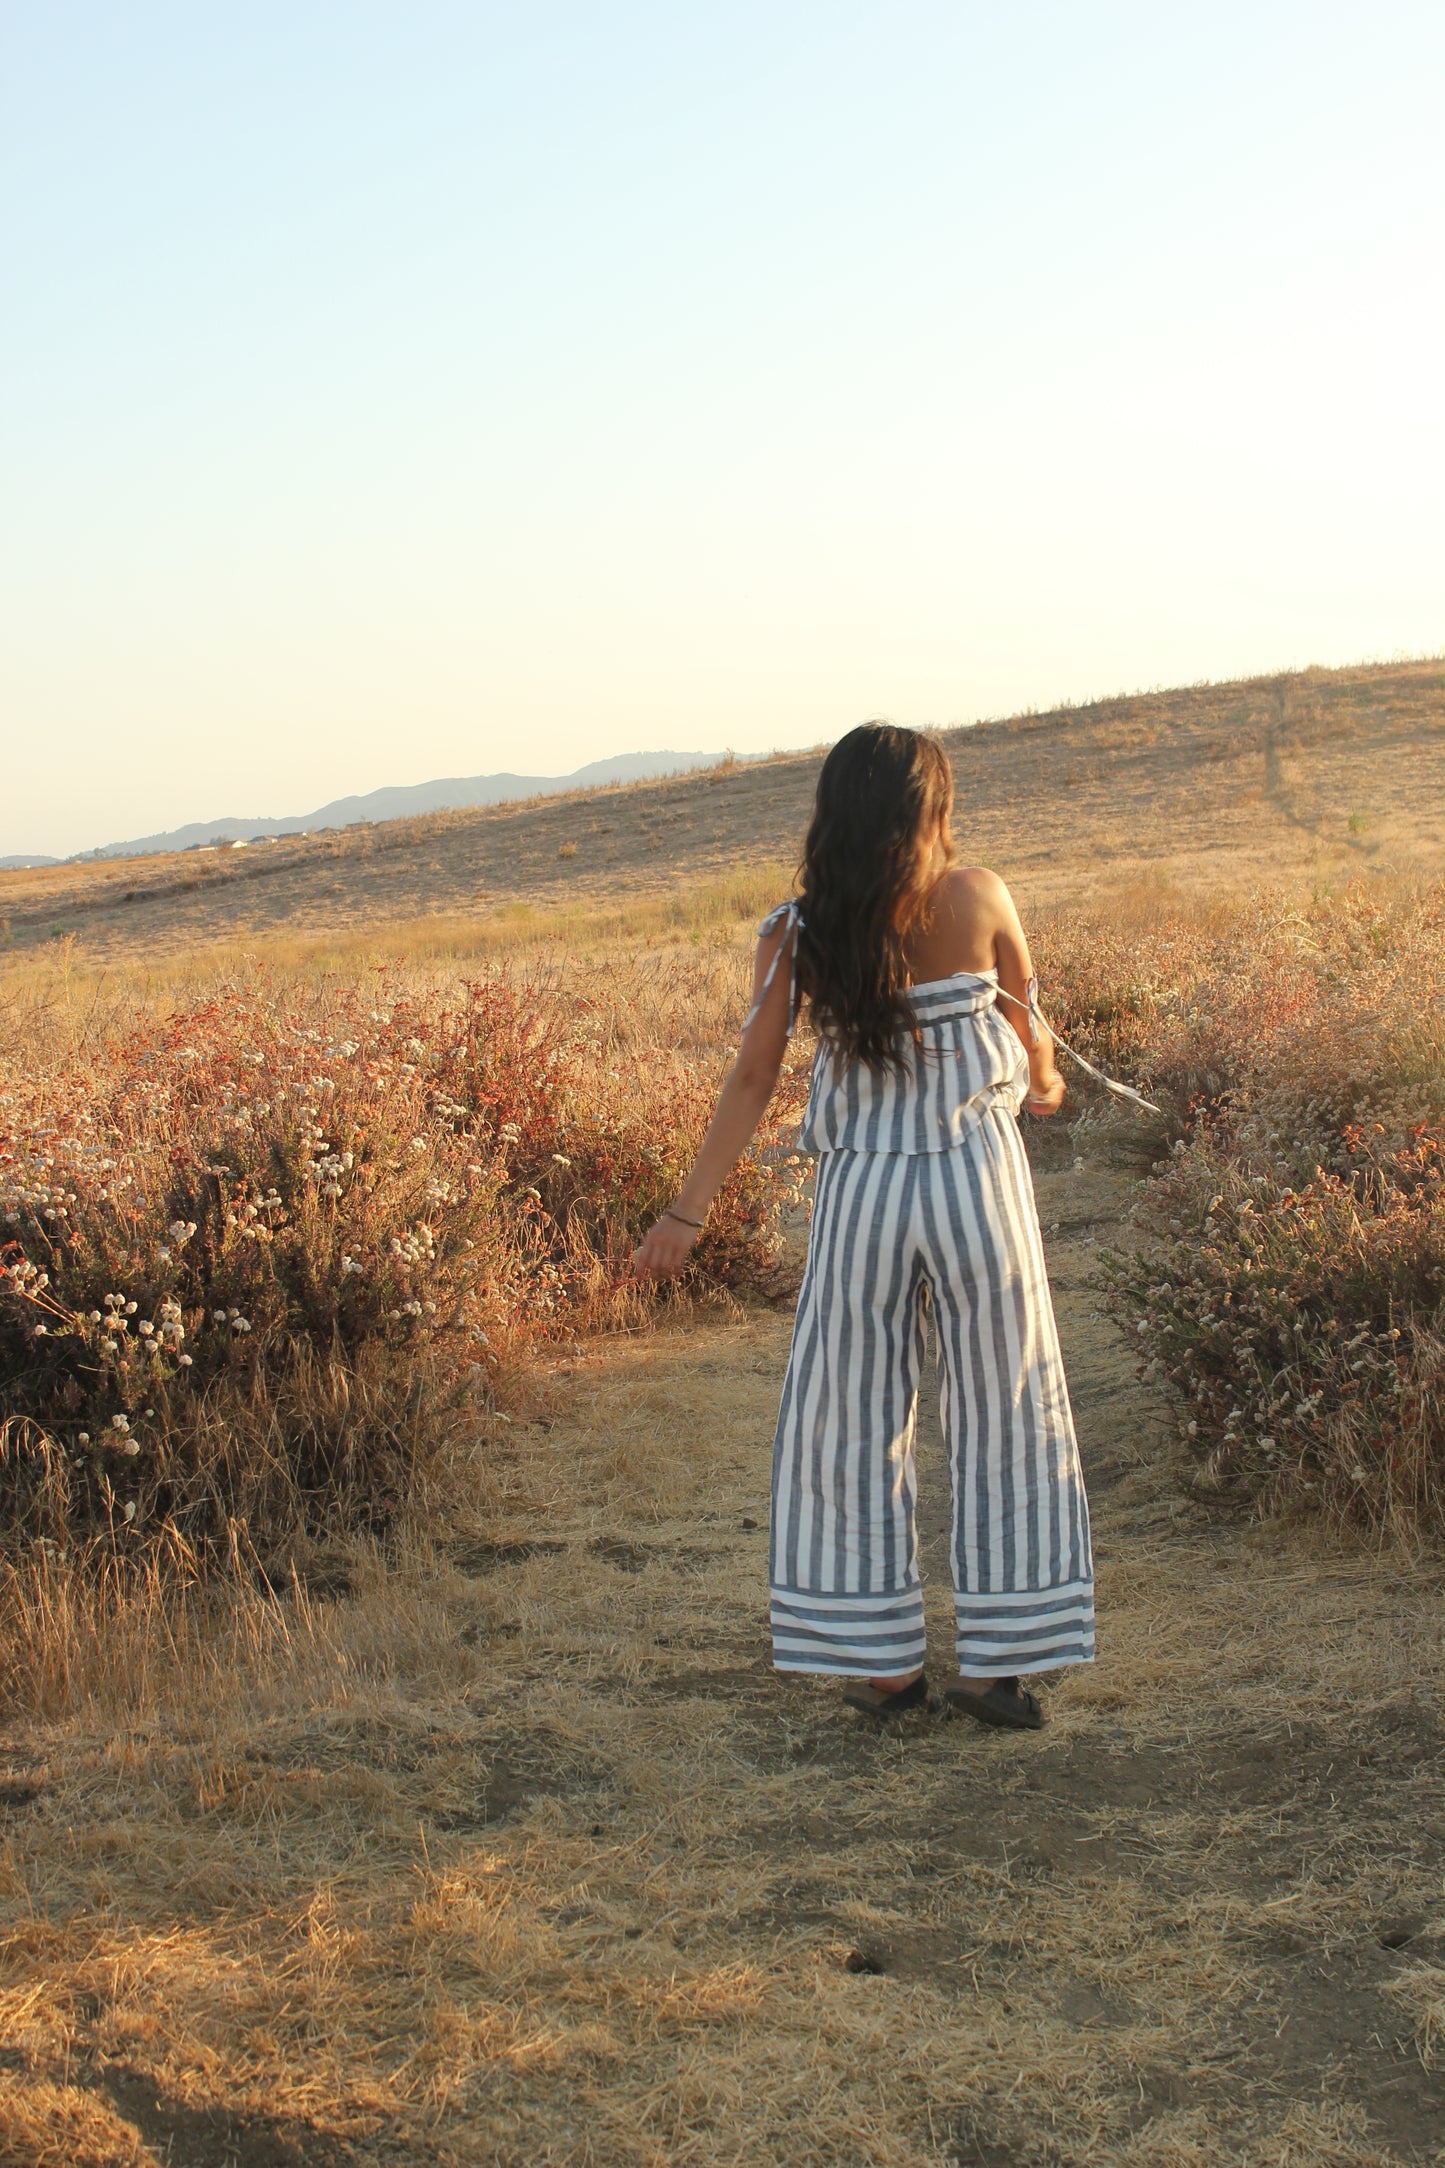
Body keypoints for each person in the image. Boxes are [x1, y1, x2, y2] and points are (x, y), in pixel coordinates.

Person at [631, 723, 1092, 1730]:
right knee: (1007, 1407)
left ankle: (880, 1666)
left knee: (845, 1420)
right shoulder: (978, 895)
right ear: (928, 809)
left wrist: (685, 1211)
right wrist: (1045, 1082)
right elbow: (1029, 1026)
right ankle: (998, 1663)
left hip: (861, 1195)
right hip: (977, 1183)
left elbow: (753, 1077)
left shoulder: (796, 930)